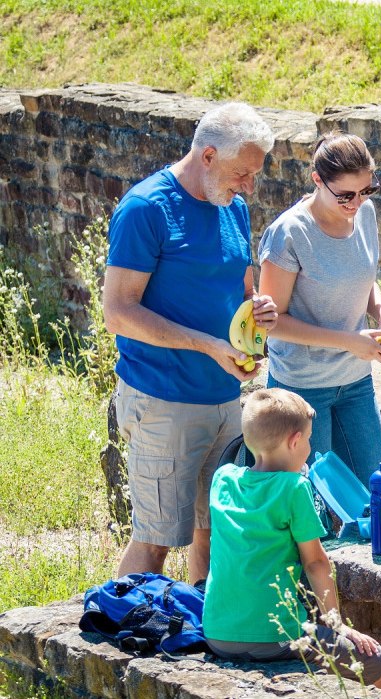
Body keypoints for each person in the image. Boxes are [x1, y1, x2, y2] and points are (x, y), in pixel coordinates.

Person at [104, 102, 278, 585]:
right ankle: (117, 643)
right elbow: (118, 312)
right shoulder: (146, 209)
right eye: (241, 173)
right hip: (162, 399)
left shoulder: (233, 208)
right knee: (156, 538)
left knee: (214, 530)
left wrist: (257, 312)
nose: (248, 186)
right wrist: (206, 346)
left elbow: (241, 291)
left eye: (252, 175)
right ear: (206, 155)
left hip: (223, 396)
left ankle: (208, 633)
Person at [204, 388, 381, 689]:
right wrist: (337, 626)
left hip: (217, 634)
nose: (308, 446)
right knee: (377, 661)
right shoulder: (294, 487)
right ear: (294, 442)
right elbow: (316, 563)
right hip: (276, 638)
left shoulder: (223, 480)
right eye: (307, 439)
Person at [257, 132, 381, 486]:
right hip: (301, 389)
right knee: (313, 506)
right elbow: (272, 324)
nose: (356, 203)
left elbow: (363, 278)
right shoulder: (289, 234)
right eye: (346, 195)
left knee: (376, 496)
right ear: (317, 180)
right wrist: (348, 340)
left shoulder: (365, 214)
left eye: (367, 191)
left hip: (355, 381)